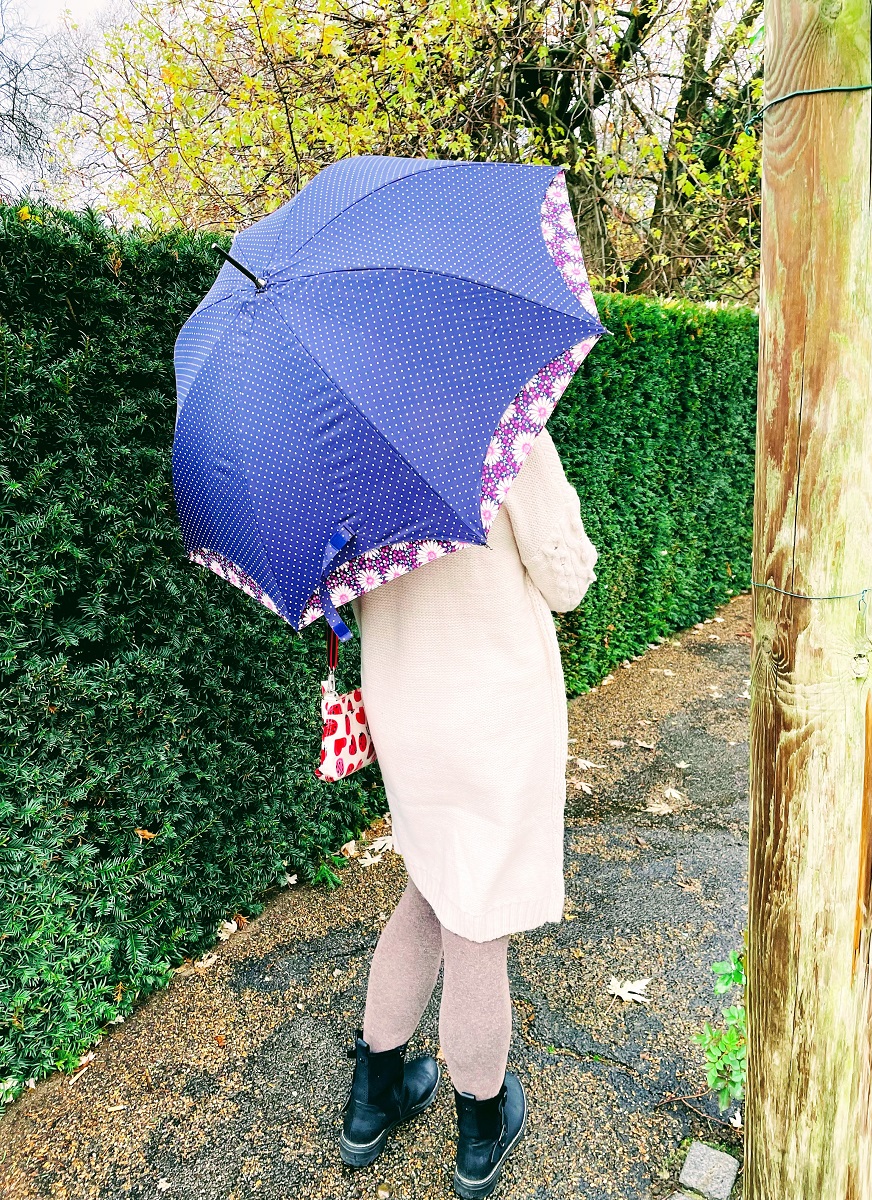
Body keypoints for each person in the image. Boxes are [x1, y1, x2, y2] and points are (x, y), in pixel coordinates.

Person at [341, 427, 598, 1199]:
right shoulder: (500, 425)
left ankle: (371, 1102)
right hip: (491, 710)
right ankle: (480, 1135)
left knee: (432, 884)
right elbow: (566, 579)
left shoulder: (344, 450)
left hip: (405, 708)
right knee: (477, 919)